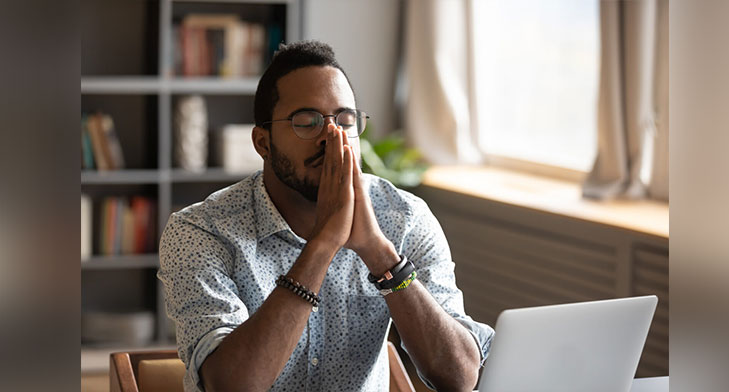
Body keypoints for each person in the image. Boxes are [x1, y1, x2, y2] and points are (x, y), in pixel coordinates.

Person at [158, 40, 494, 392]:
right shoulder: (200, 231)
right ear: (263, 143)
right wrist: (323, 244)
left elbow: (460, 378)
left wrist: (379, 253)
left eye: (345, 120)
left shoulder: (403, 217)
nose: (332, 136)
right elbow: (231, 387)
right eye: (307, 122)